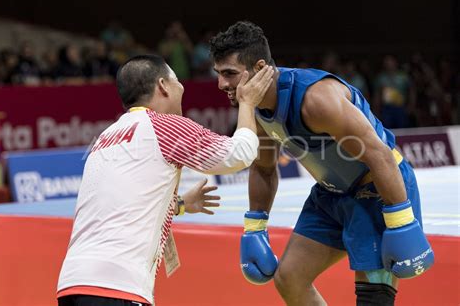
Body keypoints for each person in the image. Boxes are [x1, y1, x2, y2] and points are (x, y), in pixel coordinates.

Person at [210, 21, 434, 306]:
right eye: (218, 74)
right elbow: (264, 169)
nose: (221, 84)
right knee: (289, 279)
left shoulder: (317, 100)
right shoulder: (251, 109)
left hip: (378, 189)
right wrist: (255, 225)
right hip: (330, 195)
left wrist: (401, 221)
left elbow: (379, 155)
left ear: (259, 68)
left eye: (230, 74)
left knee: (373, 299)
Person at [56, 54, 274, 306]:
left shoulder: (105, 137)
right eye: (177, 81)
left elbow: (121, 204)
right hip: (117, 287)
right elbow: (239, 155)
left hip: (72, 284)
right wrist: (247, 103)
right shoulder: (164, 126)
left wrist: (180, 204)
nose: (182, 88)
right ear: (162, 85)